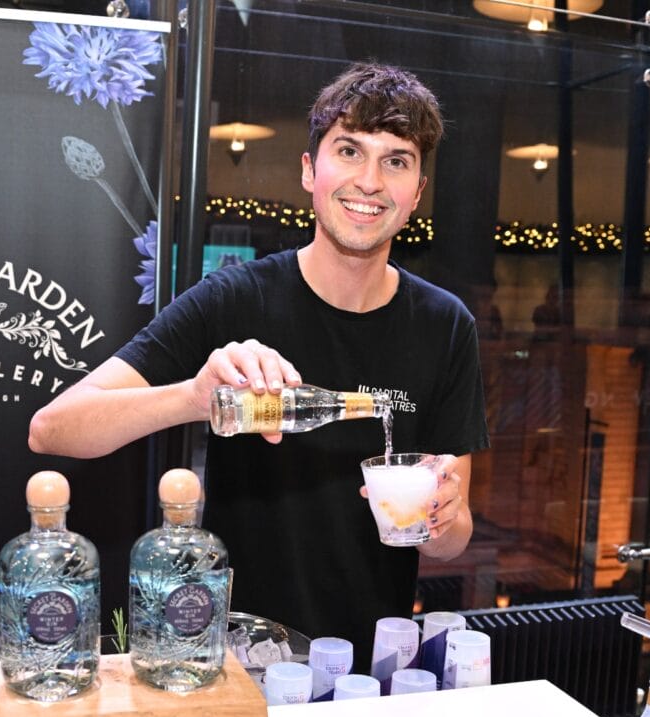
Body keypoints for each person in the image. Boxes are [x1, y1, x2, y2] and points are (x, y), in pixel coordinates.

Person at [29, 63, 489, 655]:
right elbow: (54, 429)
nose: (370, 182)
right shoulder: (233, 299)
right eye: (349, 151)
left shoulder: (445, 325)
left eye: (396, 161)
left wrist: (443, 519)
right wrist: (195, 397)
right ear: (309, 170)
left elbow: (451, 541)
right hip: (235, 658)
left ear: (417, 192)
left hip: (369, 667)